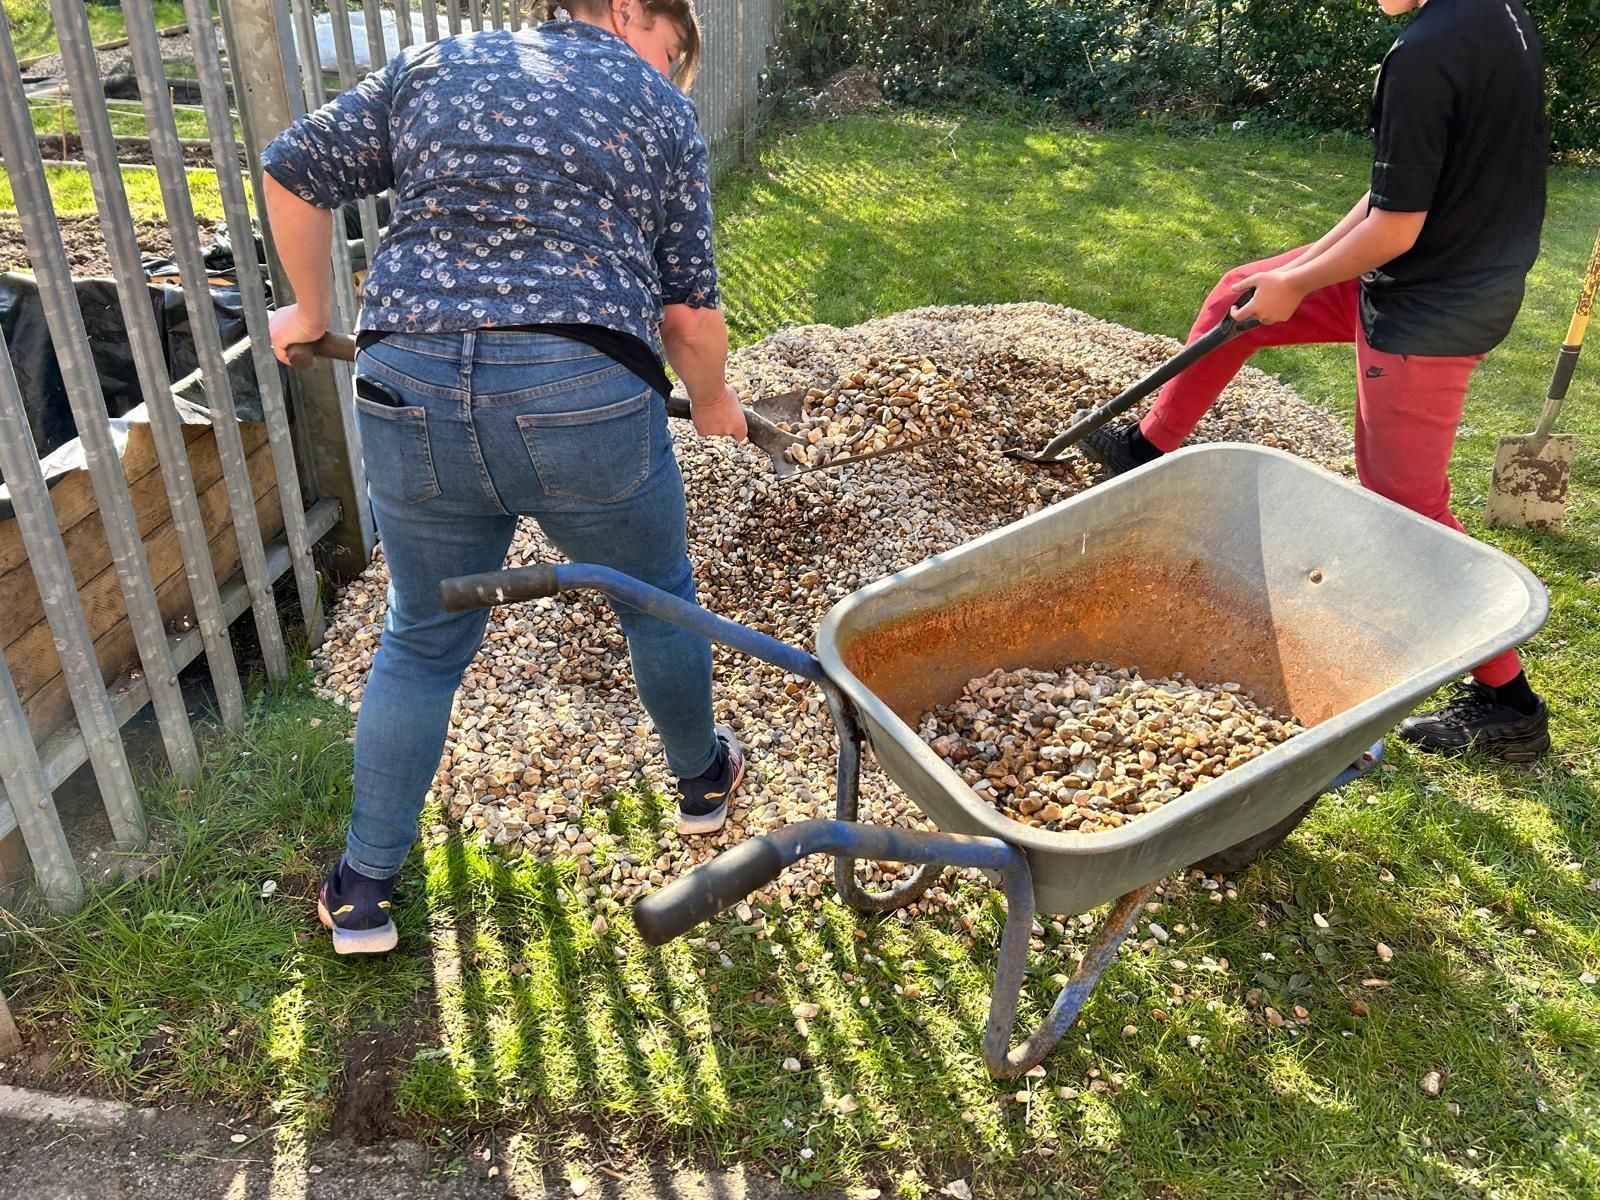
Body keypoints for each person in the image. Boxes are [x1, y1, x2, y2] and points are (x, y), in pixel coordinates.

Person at [261, 0, 749, 955]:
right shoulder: (657, 109)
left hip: (410, 379)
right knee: (656, 602)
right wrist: (718, 401)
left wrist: (305, 307)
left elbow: (292, 165)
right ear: (625, 10)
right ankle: (700, 782)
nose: (669, 70)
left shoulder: (432, 64)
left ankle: (363, 890)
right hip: (583, 389)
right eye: (670, 47)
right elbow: (688, 315)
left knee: (424, 635)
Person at [1079, 0, 1550, 763]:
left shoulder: (1425, 52)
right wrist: (1289, 276)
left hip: (1430, 309)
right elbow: (1392, 194)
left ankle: (1510, 704)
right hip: (1437, 273)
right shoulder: (1494, 13)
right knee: (1241, 292)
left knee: (1407, 508)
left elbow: (1398, 227)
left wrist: (1298, 286)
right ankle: (1146, 448)